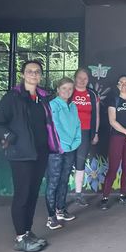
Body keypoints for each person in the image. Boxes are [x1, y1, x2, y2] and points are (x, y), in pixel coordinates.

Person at [0, 60, 61, 252]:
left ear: (40, 75)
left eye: (37, 71)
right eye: (29, 71)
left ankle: (27, 232)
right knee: (22, 195)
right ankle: (20, 237)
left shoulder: (42, 98)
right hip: (21, 155)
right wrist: (11, 137)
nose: (33, 74)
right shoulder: (12, 98)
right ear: (23, 74)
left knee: (32, 194)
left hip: (40, 153)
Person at [100, 75, 126, 210]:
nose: (124, 85)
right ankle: (105, 197)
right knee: (113, 167)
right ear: (118, 86)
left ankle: (123, 194)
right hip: (117, 137)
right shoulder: (114, 100)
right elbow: (112, 121)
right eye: (121, 82)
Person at [45, 78, 81, 230]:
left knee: (64, 179)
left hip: (71, 148)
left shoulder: (73, 106)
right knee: (53, 182)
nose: (67, 91)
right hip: (57, 149)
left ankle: (61, 209)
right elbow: (55, 126)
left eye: (70, 89)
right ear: (58, 89)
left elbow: (78, 125)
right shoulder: (53, 105)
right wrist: (66, 143)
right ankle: (51, 216)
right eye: (64, 88)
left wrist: (76, 142)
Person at [72, 68, 100, 207]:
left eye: (85, 79)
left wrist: (95, 133)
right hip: (69, 133)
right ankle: (60, 196)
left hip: (85, 132)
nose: (82, 81)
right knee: (65, 164)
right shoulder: (68, 91)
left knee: (80, 163)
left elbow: (97, 115)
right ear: (75, 78)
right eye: (79, 78)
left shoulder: (92, 94)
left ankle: (78, 194)